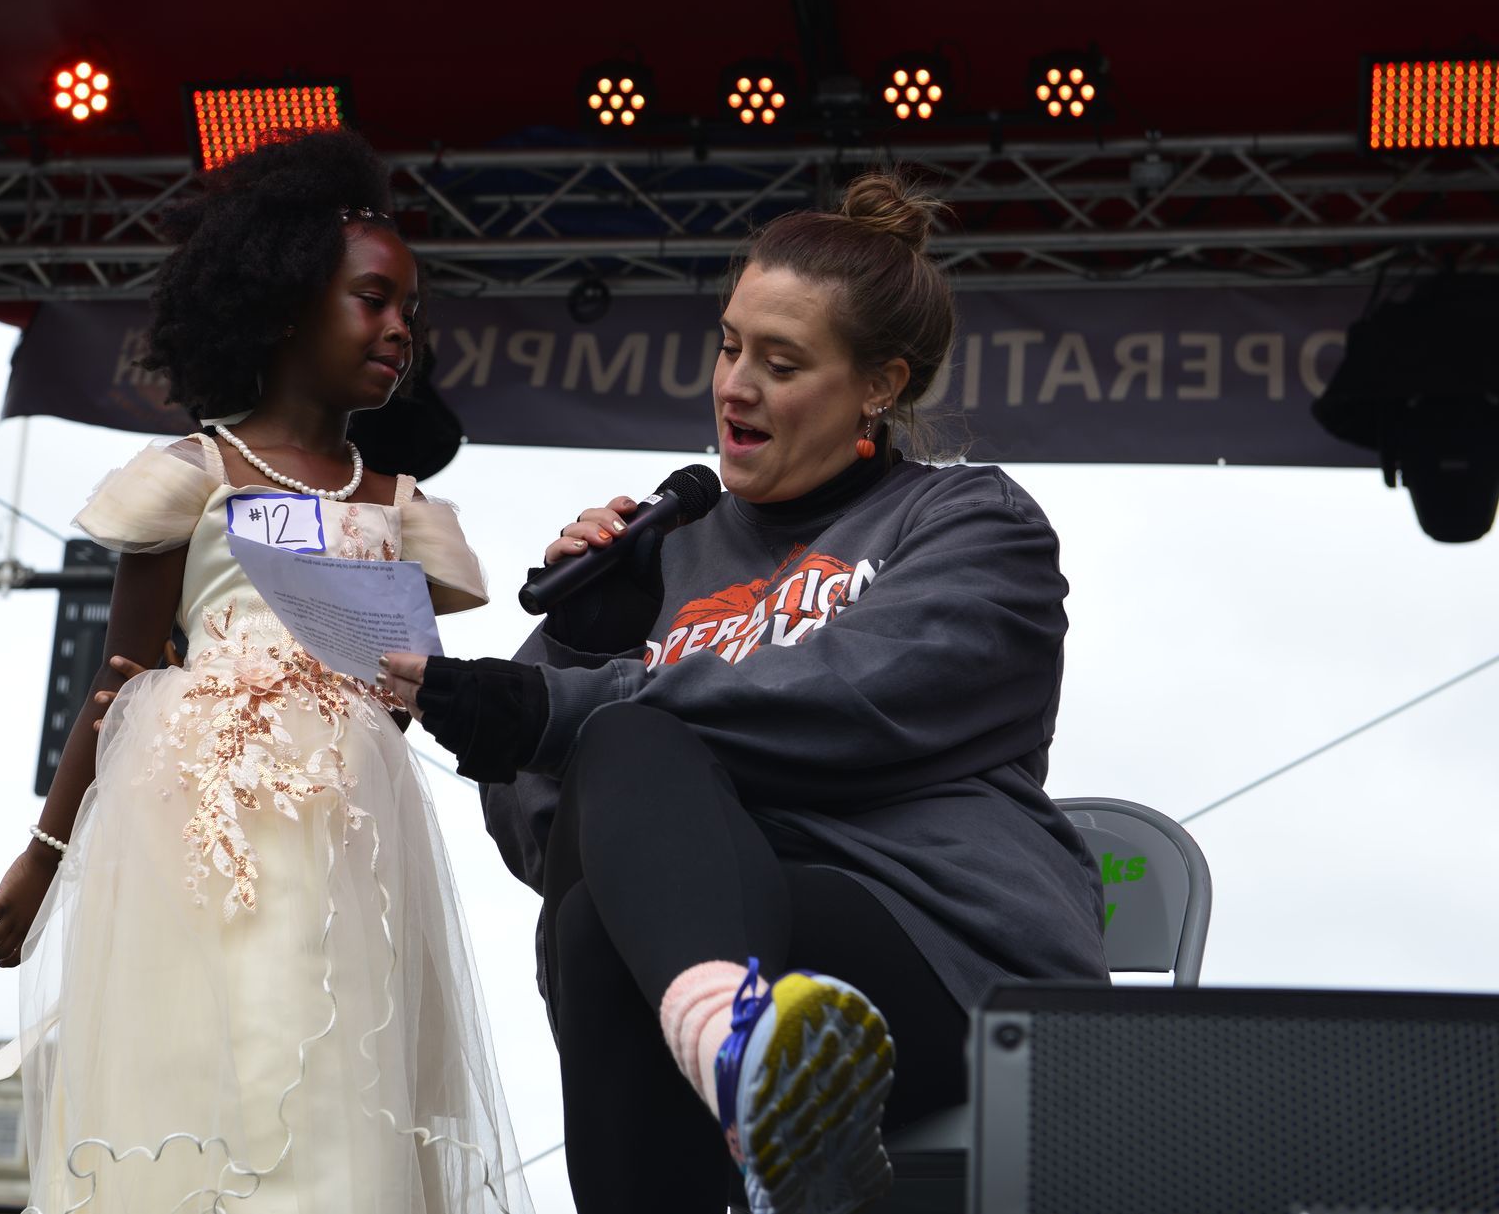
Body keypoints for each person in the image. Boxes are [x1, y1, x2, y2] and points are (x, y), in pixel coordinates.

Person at [378, 173, 1110, 1214]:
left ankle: (741, 1057)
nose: (735, 385)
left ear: (878, 384)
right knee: (594, 926)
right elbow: (547, 833)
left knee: (626, 775)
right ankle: (747, 1062)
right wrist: (581, 635)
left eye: (782, 362)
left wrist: (574, 707)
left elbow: (853, 699)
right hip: (712, 956)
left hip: (939, 947)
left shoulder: (972, 523)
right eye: (729, 346)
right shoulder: (668, 551)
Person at [0, 130, 530, 1214]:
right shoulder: (190, 478)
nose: (401, 329)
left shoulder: (402, 510)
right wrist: (43, 857)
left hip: (348, 842)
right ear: (282, 304)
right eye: (373, 300)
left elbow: (410, 694)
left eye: (412, 308)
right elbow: (119, 679)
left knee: (332, 1088)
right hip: (191, 829)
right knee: (196, 1080)